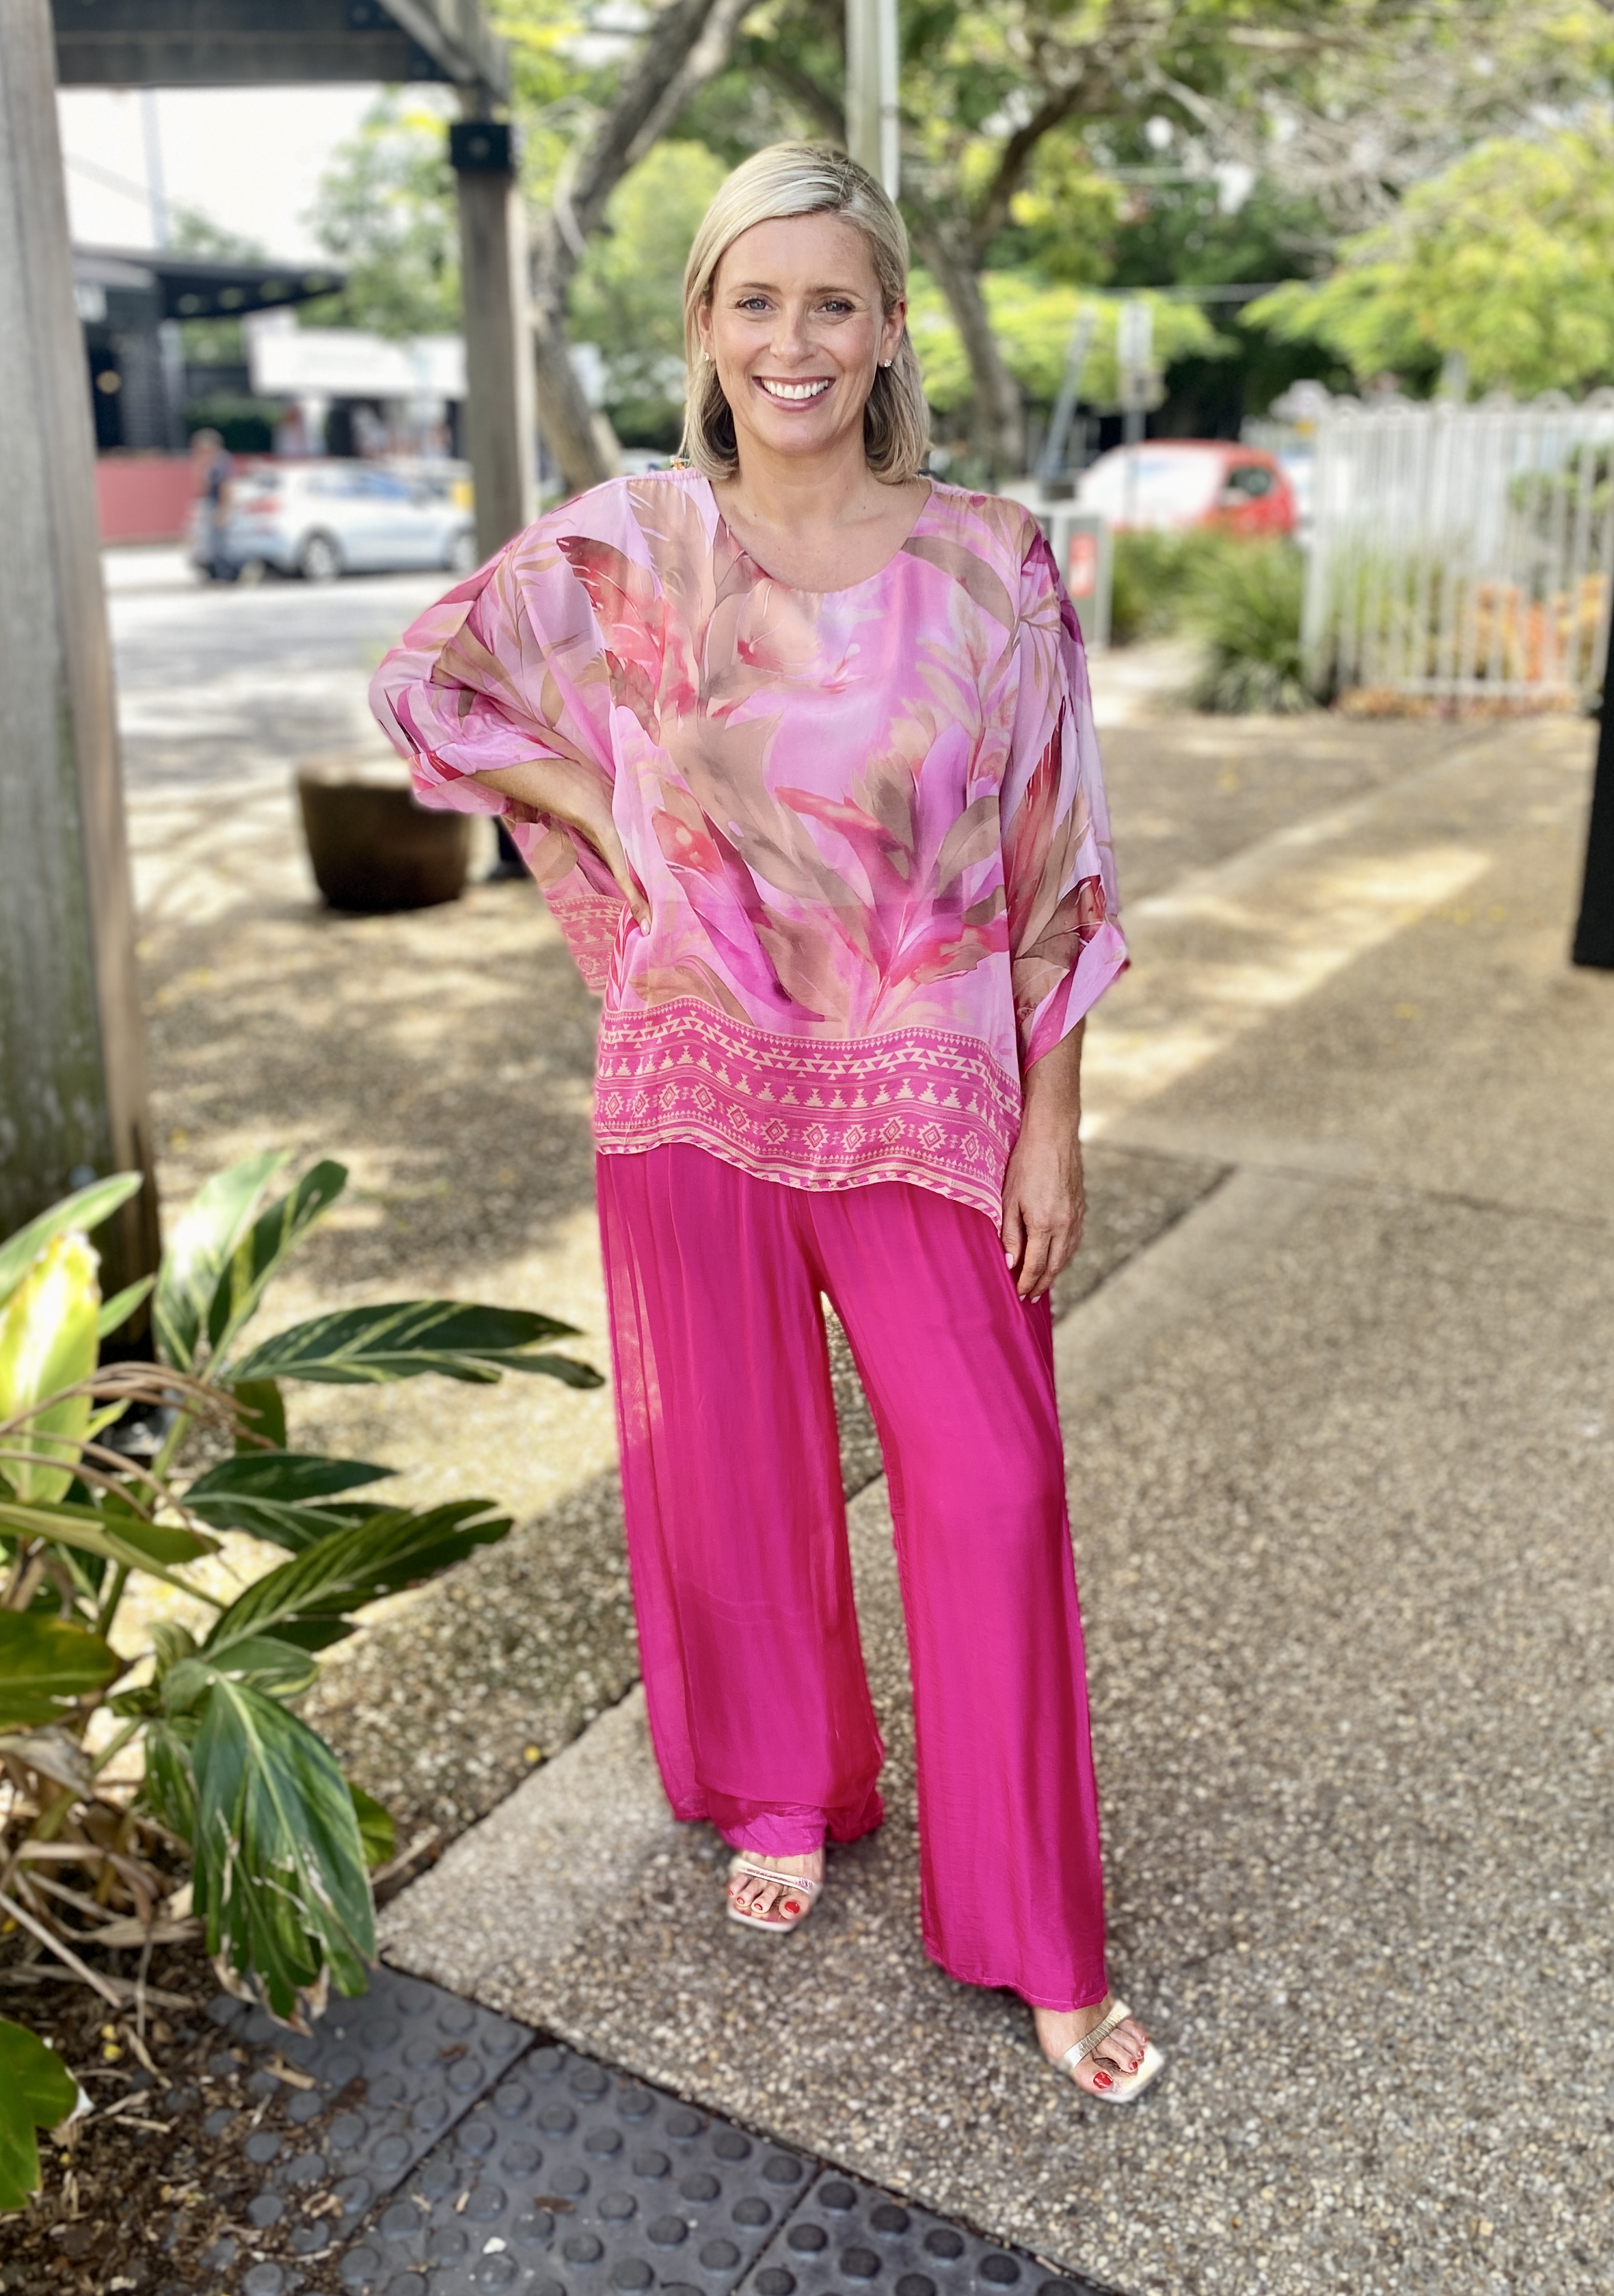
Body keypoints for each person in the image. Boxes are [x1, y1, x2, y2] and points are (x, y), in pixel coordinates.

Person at [370, 142, 1161, 2104]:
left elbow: (1052, 862)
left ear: (886, 327)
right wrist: (599, 801)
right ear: (705, 328)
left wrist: (1051, 1122)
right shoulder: (639, 543)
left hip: (924, 1097)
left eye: (830, 301)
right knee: (731, 1467)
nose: (791, 340)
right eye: (754, 301)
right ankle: (782, 1782)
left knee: (990, 1484)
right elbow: (432, 681)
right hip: (695, 1075)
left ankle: (1033, 1928)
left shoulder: (990, 557)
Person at [190, 426, 234, 582]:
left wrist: (223, 510)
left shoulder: (221, 462)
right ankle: (214, 573)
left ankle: (224, 574)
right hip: (212, 504)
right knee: (210, 542)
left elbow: (226, 486)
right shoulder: (210, 463)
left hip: (219, 505)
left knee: (219, 543)